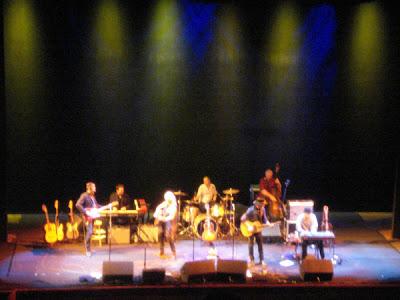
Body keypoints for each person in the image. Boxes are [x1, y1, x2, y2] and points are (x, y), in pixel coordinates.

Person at [241, 198, 269, 266]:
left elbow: (264, 219)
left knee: (260, 245)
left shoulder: (263, 209)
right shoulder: (250, 210)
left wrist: (268, 223)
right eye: (262, 205)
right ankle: (251, 259)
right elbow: (243, 219)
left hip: (258, 229)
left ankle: (261, 260)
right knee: (251, 244)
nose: (263, 206)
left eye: (263, 205)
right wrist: (248, 226)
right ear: (257, 204)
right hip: (250, 229)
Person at [76, 182, 100, 257]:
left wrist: (107, 206)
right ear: (90, 188)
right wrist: (85, 211)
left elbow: (96, 205)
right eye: (94, 187)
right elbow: (77, 205)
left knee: (91, 232)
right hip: (87, 217)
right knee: (89, 232)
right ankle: (88, 249)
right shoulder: (84, 195)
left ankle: (89, 248)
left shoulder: (92, 196)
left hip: (92, 216)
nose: (95, 188)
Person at [196, 176, 218, 257]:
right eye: (204, 181)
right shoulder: (201, 187)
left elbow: (215, 194)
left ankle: (215, 226)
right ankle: (204, 232)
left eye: (206, 181)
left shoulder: (213, 186)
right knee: (205, 206)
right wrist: (196, 198)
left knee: (216, 208)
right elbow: (198, 195)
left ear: (209, 180)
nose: (205, 182)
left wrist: (214, 199)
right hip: (203, 203)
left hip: (211, 203)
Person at [153, 191, 177, 259]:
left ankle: (173, 252)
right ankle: (161, 251)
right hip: (161, 222)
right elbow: (157, 211)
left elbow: (172, 217)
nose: (168, 200)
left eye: (169, 199)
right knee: (160, 235)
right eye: (167, 199)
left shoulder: (173, 207)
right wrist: (157, 218)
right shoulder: (163, 204)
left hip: (168, 222)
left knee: (168, 237)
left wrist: (165, 218)